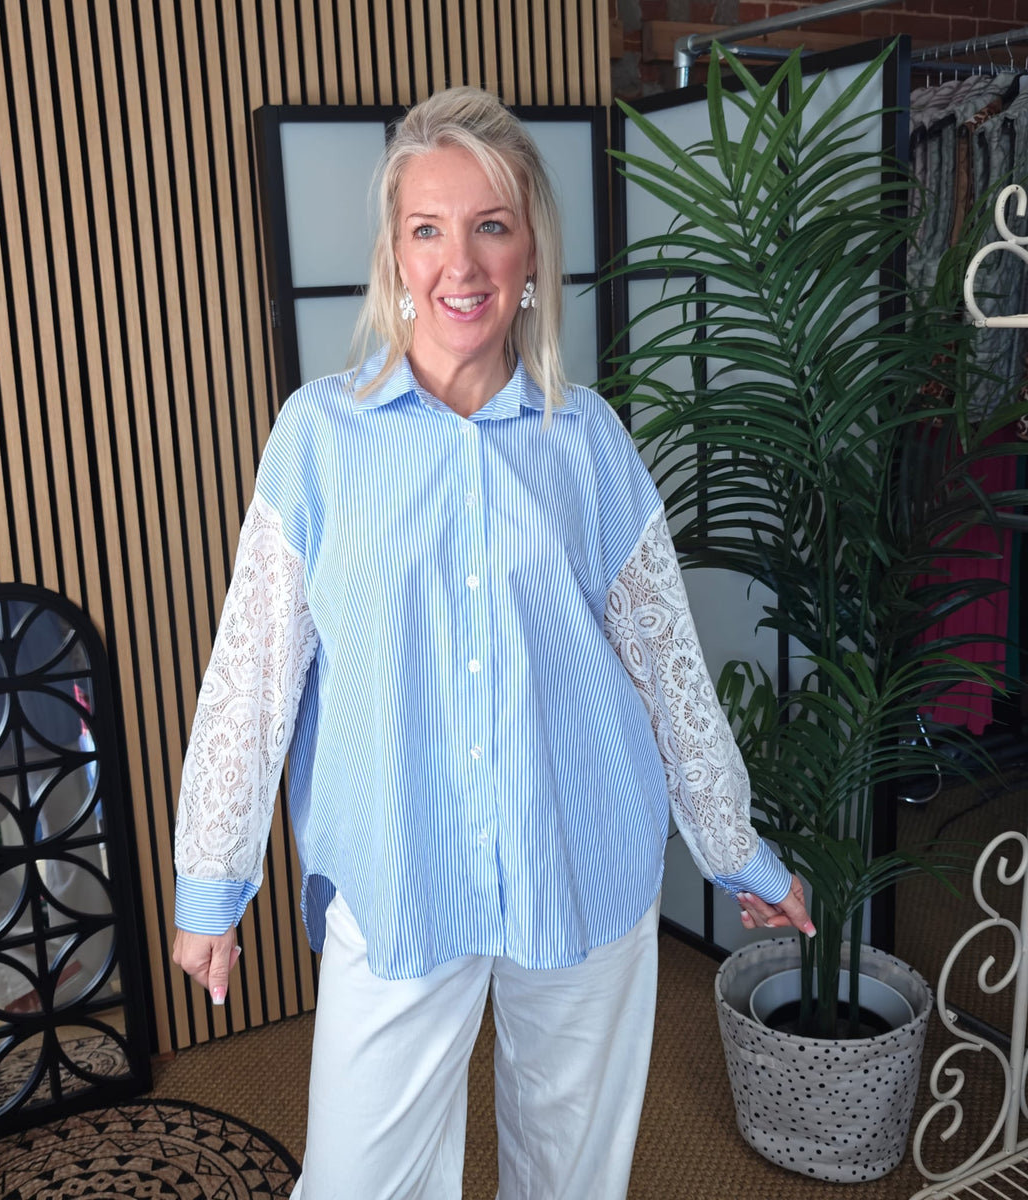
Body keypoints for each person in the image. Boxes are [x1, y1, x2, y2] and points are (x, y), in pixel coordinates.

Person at [172, 85, 813, 1199]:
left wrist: (734, 848)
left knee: (569, 1177)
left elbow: (664, 667)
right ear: (393, 253)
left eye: (490, 225)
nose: (458, 263)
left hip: (581, 854)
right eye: (427, 229)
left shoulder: (592, 443)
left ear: (529, 255)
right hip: (400, 867)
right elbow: (255, 671)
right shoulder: (318, 438)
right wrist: (211, 883)